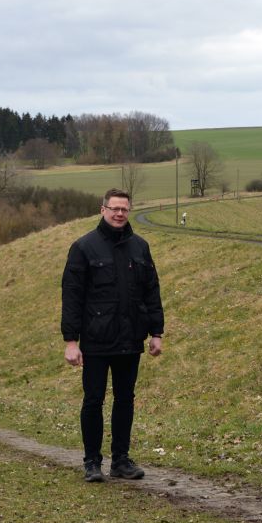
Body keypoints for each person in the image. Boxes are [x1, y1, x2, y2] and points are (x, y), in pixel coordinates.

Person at [61, 188, 165, 482]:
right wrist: (71, 341)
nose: (119, 214)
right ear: (103, 209)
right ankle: (92, 462)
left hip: (130, 339)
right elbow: (72, 296)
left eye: (124, 209)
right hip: (96, 340)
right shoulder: (83, 247)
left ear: (129, 211)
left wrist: (156, 332)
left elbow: (151, 291)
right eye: (114, 208)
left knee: (125, 399)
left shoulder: (140, 247)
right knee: (93, 400)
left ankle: (121, 460)